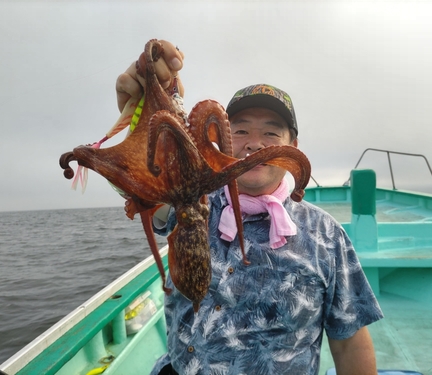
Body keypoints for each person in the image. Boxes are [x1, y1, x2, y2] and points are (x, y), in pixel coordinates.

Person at [116, 40, 383, 375]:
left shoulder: (326, 236)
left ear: (292, 147)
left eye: (271, 132)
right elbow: (143, 180)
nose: (254, 143)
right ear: (219, 138)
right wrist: (142, 111)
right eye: (239, 131)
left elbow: (350, 341)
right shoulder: (189, 205)